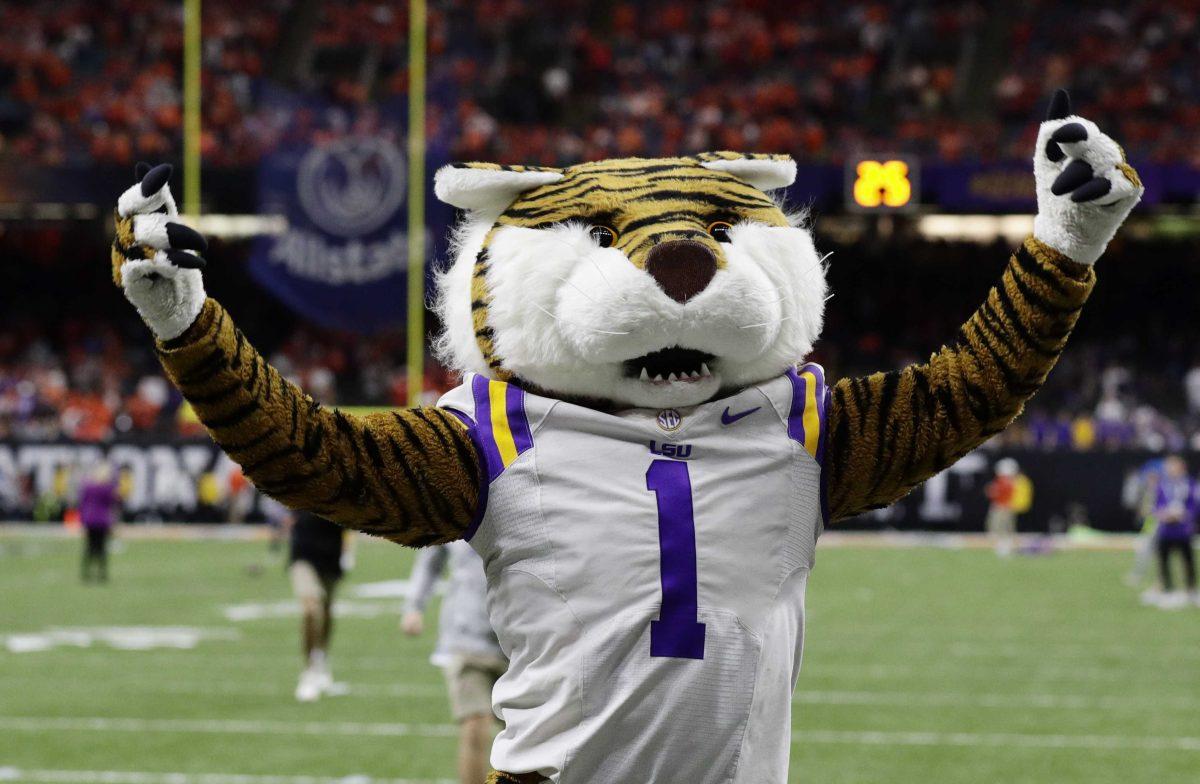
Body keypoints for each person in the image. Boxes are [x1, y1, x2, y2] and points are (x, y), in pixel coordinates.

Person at [402, 542, 506, 784]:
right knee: (474, 726)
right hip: (465, 638)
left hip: (518, 641)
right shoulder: (457, 510)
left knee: (524, 735)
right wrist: (414, 607)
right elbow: (429, 561)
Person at [289, 510, 355, 701]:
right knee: (311, 609)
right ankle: (309, 670)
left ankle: (322, 657)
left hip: (330, 553)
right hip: (304, 554)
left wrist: (348, 552)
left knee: (326, 611)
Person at [1145, 456, 1197, 608]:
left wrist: (1185, 514)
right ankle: (1168, 589)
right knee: (1164, 561)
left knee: (1188, 561)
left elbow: (1194, 505)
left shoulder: (1190, 483)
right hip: (1166, 530)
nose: (1169, 470)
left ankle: (1191, 589)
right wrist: (1162, 514)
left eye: (1172, 466)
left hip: (1183, 530)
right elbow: (1156, 505)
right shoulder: (1162, 485)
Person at [78, 462, 120, 583]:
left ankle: (86, 573)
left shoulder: (88, 486)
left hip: (89, 520)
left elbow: (83, 503)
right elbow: (112, 503)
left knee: (89, 547)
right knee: (101, 548)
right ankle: (102, 574)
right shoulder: (107, 488)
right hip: (102, 520)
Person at [985, 458, 1032, 556]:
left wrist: (994, 492)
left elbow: (998, 493)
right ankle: (1002, 547)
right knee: (1001, 528)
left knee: (1002, 528)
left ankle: (1005, 548)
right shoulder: (1006, 481)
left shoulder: (1010, 482)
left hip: (1004, 507)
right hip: (1002, 506)